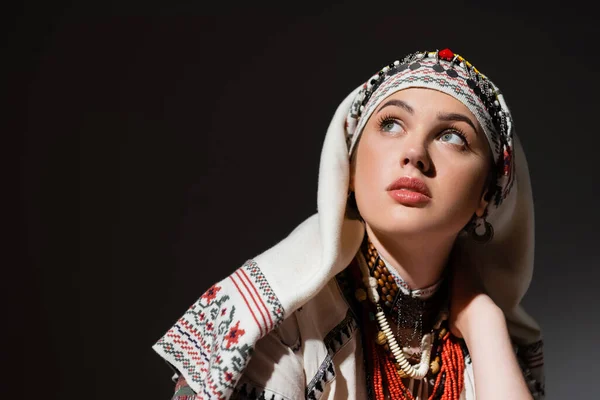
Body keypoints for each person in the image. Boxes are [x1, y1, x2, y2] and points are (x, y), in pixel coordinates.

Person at [152, 49, 545, 399]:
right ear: (351, 169)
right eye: (391, 125)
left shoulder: (486, 344)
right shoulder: (281, 323)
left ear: (486, 195)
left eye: (452, 136)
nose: (414, 153)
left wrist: (483, 320)